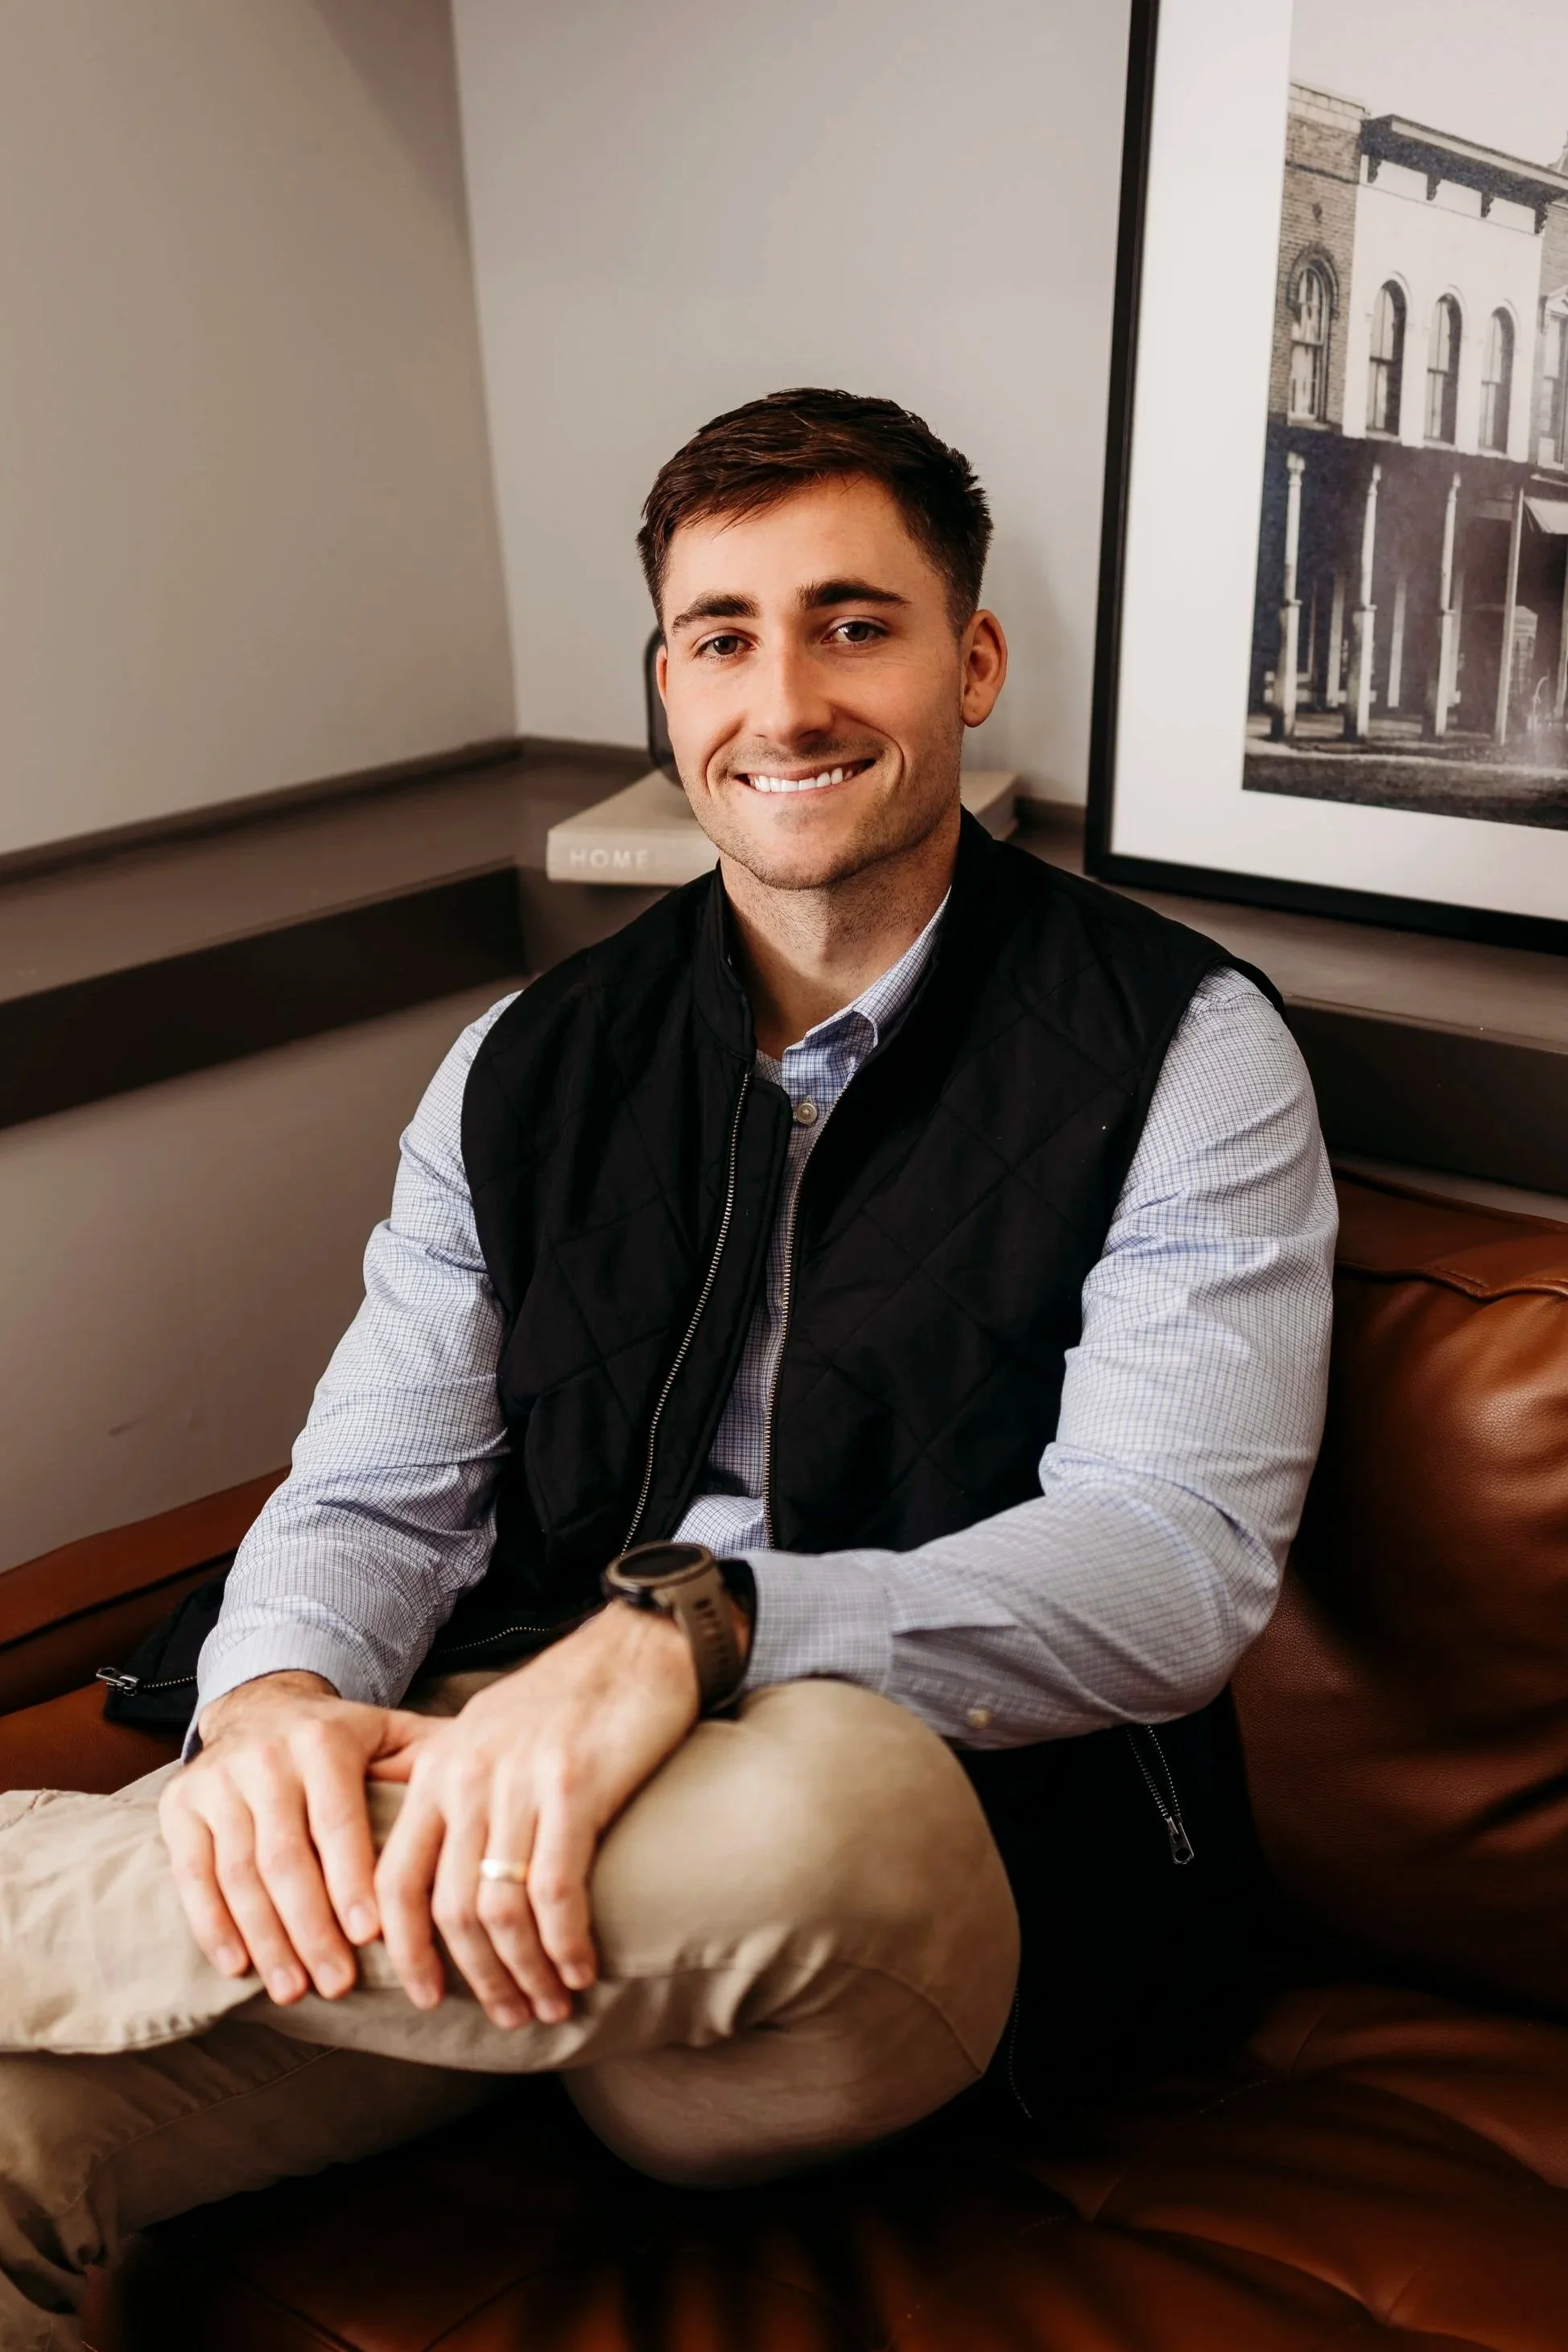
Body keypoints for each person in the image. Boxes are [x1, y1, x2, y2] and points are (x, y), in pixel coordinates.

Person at [0, 390, 1335, 2348]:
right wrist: (277, 1698)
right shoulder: (523, 1062)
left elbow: (1168, 1563)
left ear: (968, 661)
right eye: (721, 635)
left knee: (808, 1801)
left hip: (925, 1877)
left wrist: (695, 1632)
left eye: (849, 623)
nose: (780, 699)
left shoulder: (1181, 1050)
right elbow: (377, 1489)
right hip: (505, 1859)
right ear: (663, 681)